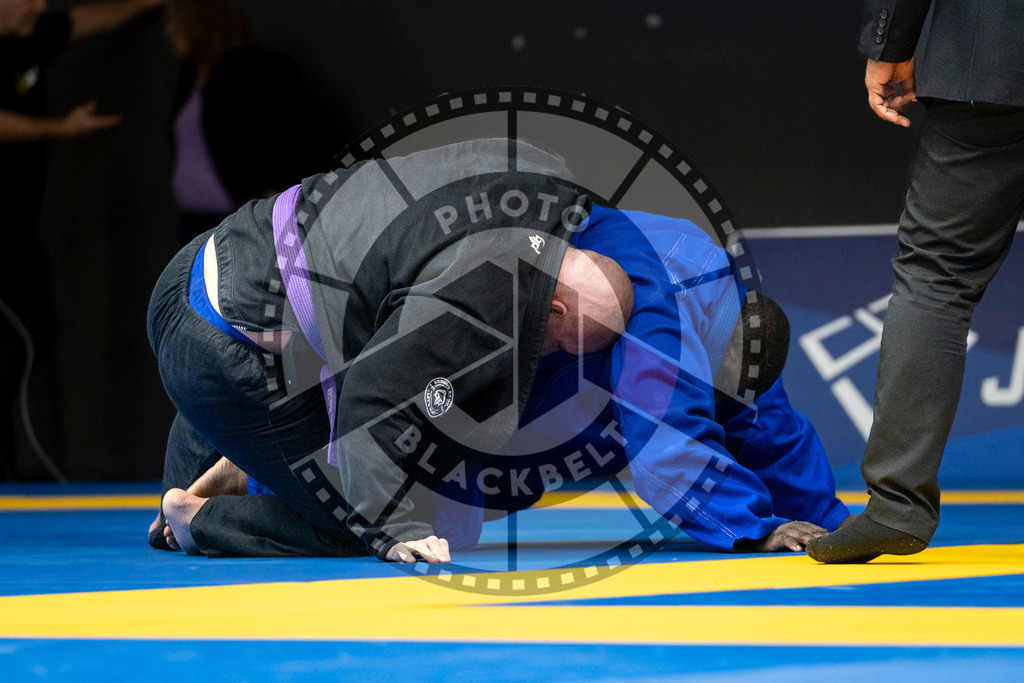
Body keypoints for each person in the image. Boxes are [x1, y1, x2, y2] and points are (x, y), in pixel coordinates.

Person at [148, 139, 849, 562]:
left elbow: (768, 422)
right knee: (382, 516)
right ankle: (208, 516)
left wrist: (837, 525)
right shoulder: (643, 312)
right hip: (232, 334)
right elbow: (668, 448)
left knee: (467, 460)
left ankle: (250, 451)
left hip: (236, 271)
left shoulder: (690, 276)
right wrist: (754, 530)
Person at [807, 1, 1024, 564]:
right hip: (989, 69)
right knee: (935, 275)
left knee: (936, 275)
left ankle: (896, 509)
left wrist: (890, 44)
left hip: (990, 62)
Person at [0, 0, 164, 477]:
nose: (39, 6)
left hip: (20, 234)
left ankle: (17, 474)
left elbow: (84, 21)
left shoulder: (29, 36)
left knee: (33, 339)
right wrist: (61, 129)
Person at [163, 0, 336, 243]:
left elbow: (287, 136)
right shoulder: (189, 78)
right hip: (194, 224)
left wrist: (275, 195)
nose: (168, 30)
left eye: (175, 22)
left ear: (198, 22)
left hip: (241, 224)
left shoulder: (252, 72)